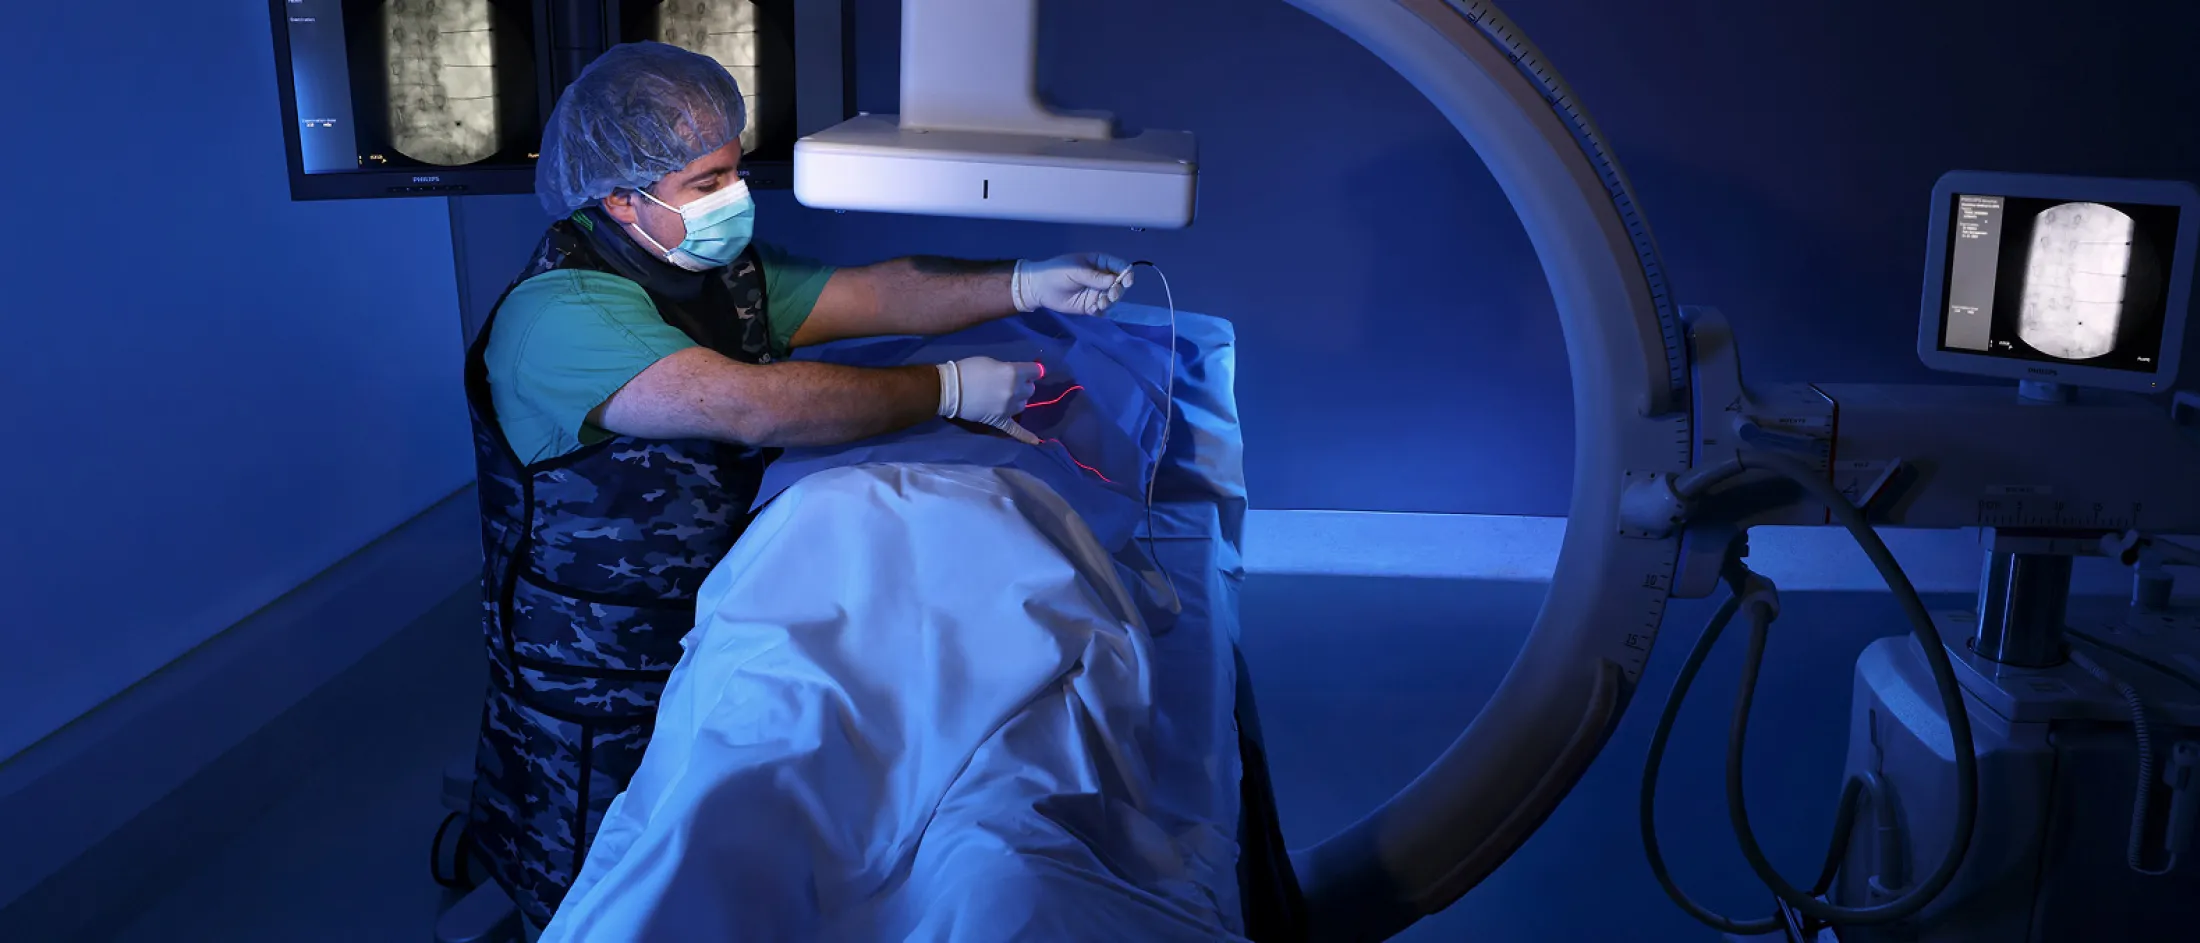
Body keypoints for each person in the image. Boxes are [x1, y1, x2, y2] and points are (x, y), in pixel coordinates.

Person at [457, 41, 1136, 932]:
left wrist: (1019, 282)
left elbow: (872, 295)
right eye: (706, 181)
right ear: (622, 197)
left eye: (734, 168)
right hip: (597, 668)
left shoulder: (707, 272)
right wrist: (951, 389)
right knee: (607, 884)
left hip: (710, 621)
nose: (733, 196)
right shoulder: (561, 316)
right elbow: (757, 407)